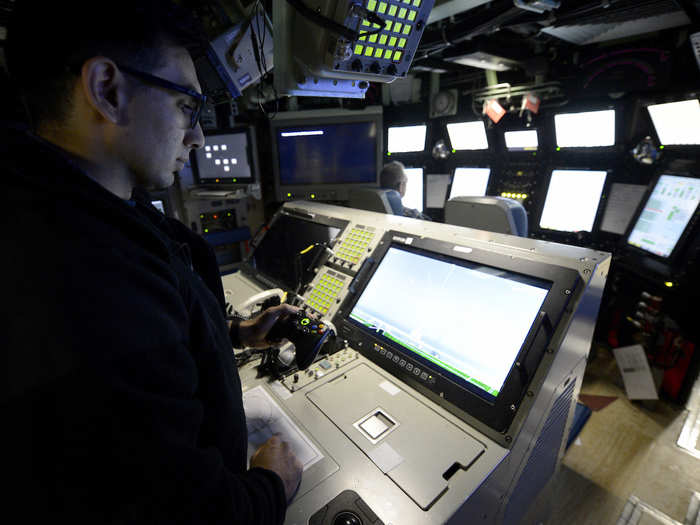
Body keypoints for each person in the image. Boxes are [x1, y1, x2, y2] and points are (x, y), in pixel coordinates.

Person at [2, 1, 301, 523]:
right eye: (188, 106)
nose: (199, 135)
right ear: (108, 90)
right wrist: (273, 484)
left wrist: (233, 334)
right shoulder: (86, 278)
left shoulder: (81, 210)